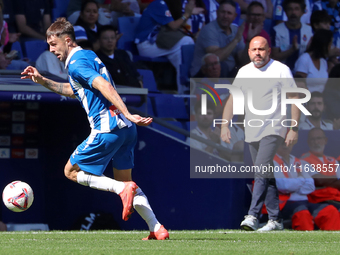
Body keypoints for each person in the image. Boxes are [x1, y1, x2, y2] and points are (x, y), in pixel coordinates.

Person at [21, 17, 169, 240]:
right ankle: (156, 227)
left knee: (70, 172)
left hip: (107, 128)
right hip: (126, 130)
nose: (50, 50)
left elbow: (103, 85)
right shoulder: (87, 55)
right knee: (125, 181)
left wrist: (127, 111)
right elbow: (75, 90)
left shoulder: (76, 63)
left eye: (53, 44)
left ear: (67, 40)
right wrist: (43, 80)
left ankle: (122, 191)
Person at [221, 36, 301, 231]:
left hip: (275, 128)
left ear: (269, 50)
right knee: (266, 172)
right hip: (252, 129)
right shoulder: (244, 71)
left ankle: (253, 215)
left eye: (261, 49)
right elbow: (233, 99)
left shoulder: (281, 70)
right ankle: (275, 219)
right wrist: (224, 124)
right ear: (248, 52)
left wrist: (294, 128)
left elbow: (294, 98)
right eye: (254, 49)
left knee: (260, 169)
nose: (258, 53)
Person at [273, 142, 340, 230]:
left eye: (288, 142)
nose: (285, 145)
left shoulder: (296, 160)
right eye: (282, 143)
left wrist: (294, 185)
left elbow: (310, 186)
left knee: (329, 210)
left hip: (304, 201)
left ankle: (333, 243)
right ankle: (306, 243)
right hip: (283, 203)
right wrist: (301, 179)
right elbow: (284, 186)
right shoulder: (270, 161)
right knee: (302, 212)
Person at [134, 0, 196, 94]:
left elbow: (178, 25)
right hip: (146, 45)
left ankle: (183, 94)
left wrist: (187, 13)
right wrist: (187, 14)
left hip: (158, 42)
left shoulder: (166, 4)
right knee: (187, 41)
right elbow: (174, 26)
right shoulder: (159, 4)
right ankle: (186, 87)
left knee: (180, 57)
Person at [190, 0, 249, 78]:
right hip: (202, 74)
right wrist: (235, 41)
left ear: (235, 16)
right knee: (220, 66)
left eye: (229, 13)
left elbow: (242, 60)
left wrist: (248, 41)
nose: (225, 16)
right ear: (217, 13)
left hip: (228, 73)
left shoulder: (235, 30)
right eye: (223, 12)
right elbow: (215, 59)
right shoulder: (209, 29)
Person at [301, 128, 340, 209]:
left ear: (325, 140)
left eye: (318, 138)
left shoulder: (333, 160)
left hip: (336, 198)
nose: (316, 142)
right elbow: (318, 180)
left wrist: (327, 181)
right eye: (313, 139)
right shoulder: (303, 160)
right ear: (308, 142)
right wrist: (335, 178)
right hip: (319, 200)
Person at [271, 0, 313, 71]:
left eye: (296, 9)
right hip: (282, 72)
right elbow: (274, 56)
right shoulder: (277, 30)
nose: (293, 12)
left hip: (303, 72)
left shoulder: (309, 30)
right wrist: (292, 50)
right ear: (285, 12)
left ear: (303, 12)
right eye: (290, 9)